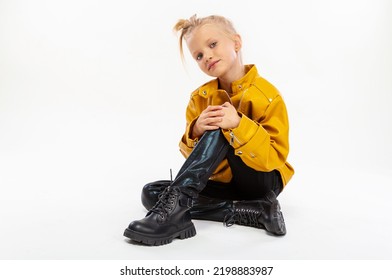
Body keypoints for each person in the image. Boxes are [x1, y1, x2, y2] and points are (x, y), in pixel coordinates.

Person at [123, 14, 294, 246]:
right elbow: (195, 164)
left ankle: (176, 213)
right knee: (151, 193)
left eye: (213, 44)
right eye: (199, 56)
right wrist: (194, 131)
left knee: (221, 124)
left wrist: (239, 125)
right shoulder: (199, 97)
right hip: (225, 183)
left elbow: (275, 157)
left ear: (236, 42)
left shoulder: (267, 96)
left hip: (262, 179)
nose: (207, 56)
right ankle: (253, 211)